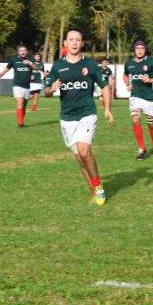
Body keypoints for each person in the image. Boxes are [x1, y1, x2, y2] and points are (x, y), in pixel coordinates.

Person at [44, 29, 114, 206]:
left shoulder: (90, 65)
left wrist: (107, 109)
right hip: (67, 117)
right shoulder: (58, 66)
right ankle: (93, 189)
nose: (74, 42)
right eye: (71, 39)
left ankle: (98, 188)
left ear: (82, 43)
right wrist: (51, 89)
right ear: (65, 44)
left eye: (78, 40)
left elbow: (104, 86)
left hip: (87, 113)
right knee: (79, 157)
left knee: (84, 150)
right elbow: (46, 91)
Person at [123, 39, 153, 160]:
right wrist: (127, 84)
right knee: (135, 119)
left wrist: (150, 80)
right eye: (137, 48)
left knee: (151, 124)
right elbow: (125, 75)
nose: (140, 50)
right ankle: (142, 148)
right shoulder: (129, 63)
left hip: (149, 97)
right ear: (134, 50)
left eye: (142, 48)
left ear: (145, 50)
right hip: (135, 96)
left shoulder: (151, 62)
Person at [0, 44, 39, 127]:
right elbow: (5, 70)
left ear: (26, 52)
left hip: (27, 86)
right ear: (18, 52)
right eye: (21, 51)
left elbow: (37, 68)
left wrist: (29, 63)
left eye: (24, 50)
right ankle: (20, 123)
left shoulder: (30, 59)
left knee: (24, 105)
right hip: (17, 85)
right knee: (20, 102)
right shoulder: (14, 60)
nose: (23, 52)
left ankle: (21, 120)